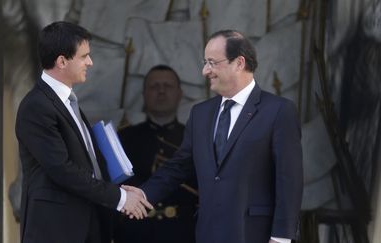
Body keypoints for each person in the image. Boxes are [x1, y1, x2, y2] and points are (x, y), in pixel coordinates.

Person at [123, 30, 303, 243]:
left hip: (254, 234)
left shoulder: (278, 110)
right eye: (205, 62)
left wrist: (281, 237)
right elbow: (179, 166)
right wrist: (142, 195)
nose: (205, 70)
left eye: (212, 62)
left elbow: (289, 179)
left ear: (239, 63)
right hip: (208, 233)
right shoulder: (201, 113)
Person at [15, 21, 152, 243]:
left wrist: (120, 190)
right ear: (61, 61)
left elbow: (88, 165)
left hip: (88, 223)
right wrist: (119, 197)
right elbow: (61, 169)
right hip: (57, 230)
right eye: (83, 56)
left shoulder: (68, 102)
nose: (90, 62)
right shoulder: (36, 106)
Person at [114, 65, 198, 243]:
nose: (161, 91)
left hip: (183, 233)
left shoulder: (195, 139)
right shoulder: (123, 138)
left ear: (180, 93)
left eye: (167, 86)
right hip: (134, 233)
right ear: (144, 94)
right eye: (154, 86)